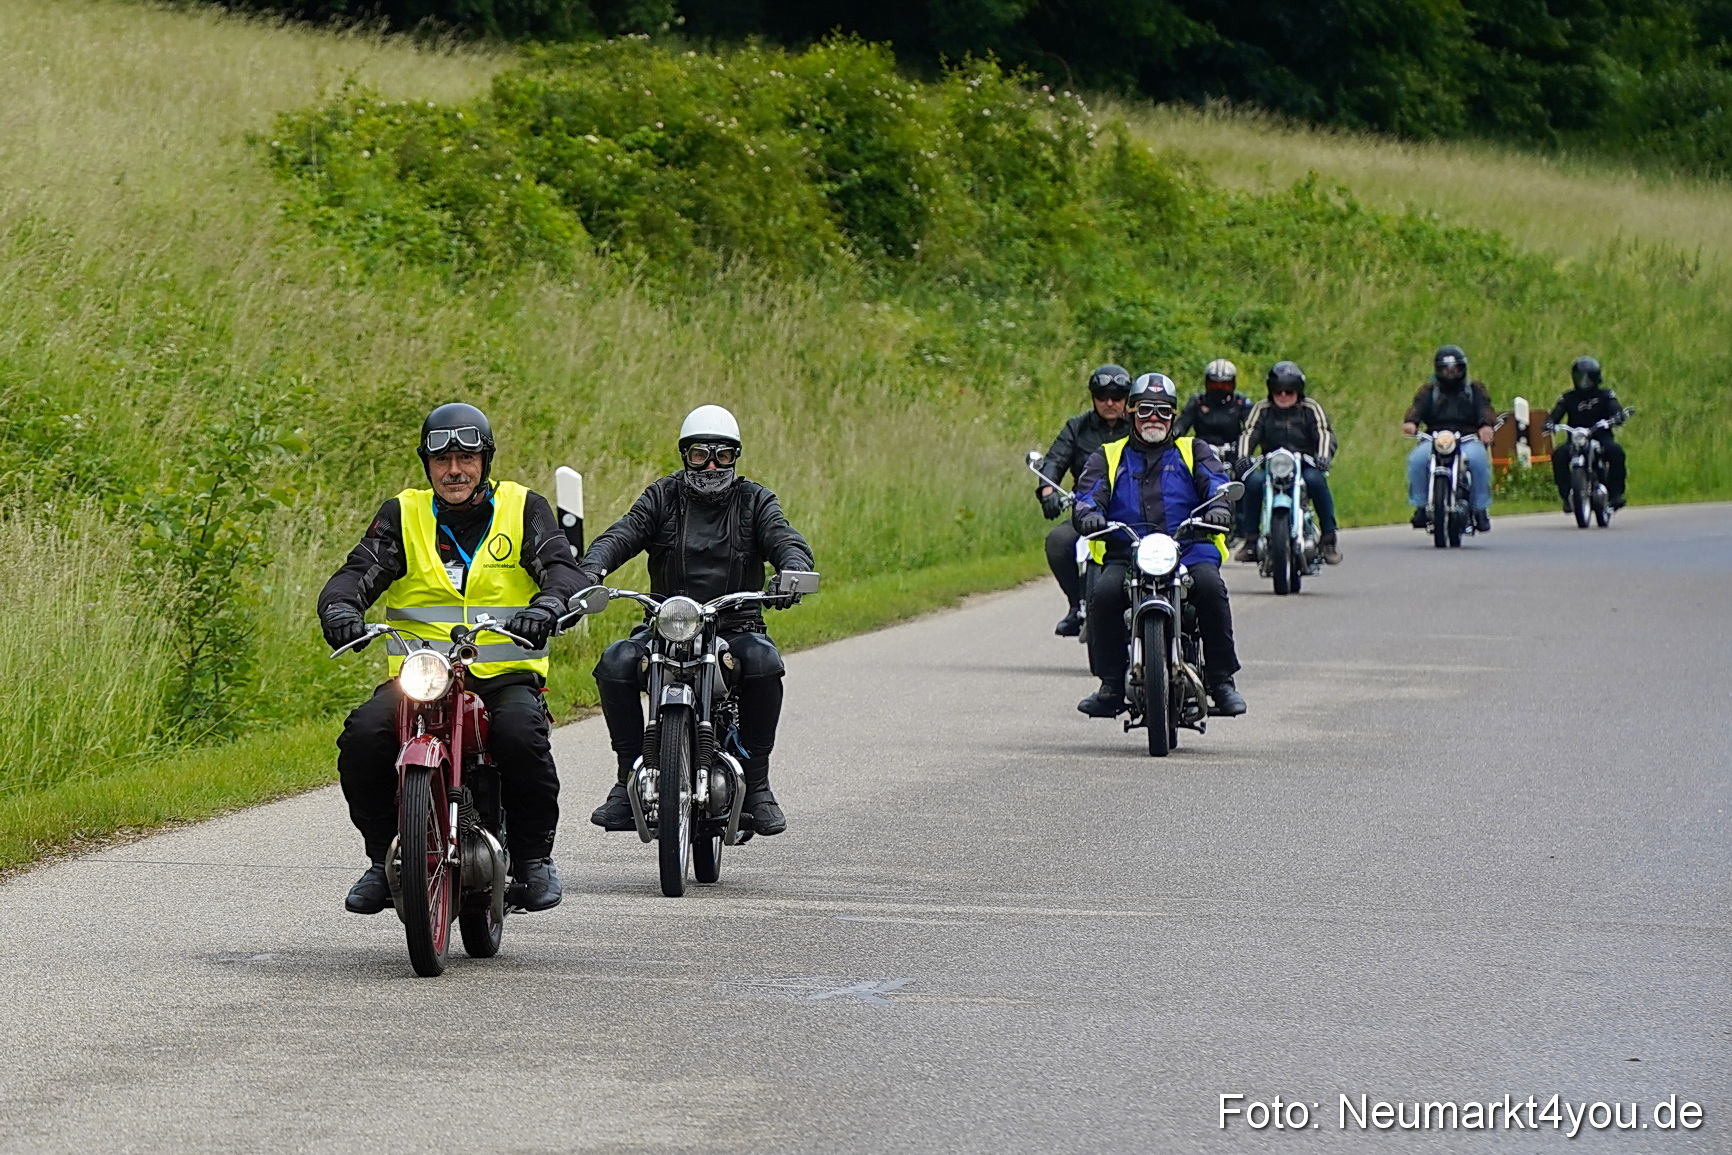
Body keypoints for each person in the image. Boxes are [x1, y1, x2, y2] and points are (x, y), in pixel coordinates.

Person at [319, 403, 582, 915]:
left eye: (466, 457)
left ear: (486, 461)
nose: (454, 470)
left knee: (520, 737)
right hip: (424, 677)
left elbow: (561, 567)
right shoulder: (403, 514)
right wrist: (341, 608)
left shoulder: (524, 509)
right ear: (427, 465)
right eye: (442, 461)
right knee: (364, 736)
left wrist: (547, 605)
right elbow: (359, 570)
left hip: (501, 675)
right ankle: (382, 859)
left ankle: (533, 860)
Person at [583, 405, 814, 837]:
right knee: (615, 662)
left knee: (764, 663)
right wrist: (591, 568)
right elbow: (624, 533)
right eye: (699, 455)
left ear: (736, 457)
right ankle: (625, 779)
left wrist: (792, 572)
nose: (711, 466)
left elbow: (784, 537)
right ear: (684, 455)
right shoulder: (662, 497)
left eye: (722, 456)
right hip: (668, 627)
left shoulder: (755, 500)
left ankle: (758, 783)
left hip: (736, 626)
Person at [1070, 373, 1246, 719]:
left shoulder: (1194, 450)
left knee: (1211, 588)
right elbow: (1087, 494)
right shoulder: (1107, 456)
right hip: (1128, 550)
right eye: (1146, 409)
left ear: (1173, 416)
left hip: (1188, 547)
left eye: (1163, 411)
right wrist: (1088, 514)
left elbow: (1217, 484)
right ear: (1131, 412)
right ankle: (1110, 685)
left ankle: (1222, 680)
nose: (1154, 418)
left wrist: (1220, 508)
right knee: (1103, 595)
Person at [1035, 365, 1131, 636]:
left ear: (1127, 398)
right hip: (1087, 508)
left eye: (1117, 396)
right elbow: (1055, 460)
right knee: (1058, 541)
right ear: (1093, 397)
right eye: (1102, 396)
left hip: (1133, 509)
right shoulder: (1077, 427)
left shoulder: (1139, 427)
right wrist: (1048, 490)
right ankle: (1076, 605)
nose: (1109, 402)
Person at [1234, 361, 1343, 565]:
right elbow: (1249, 433)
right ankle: (1250, 539)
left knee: (1317, 481)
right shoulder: (1262, 409)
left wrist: (1323, 457)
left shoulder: (1310, 408)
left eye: (1289, 391)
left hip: (1305, 462)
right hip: (1272, 463)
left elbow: (1323, 432)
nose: (1283, 395)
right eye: (1278, 391)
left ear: (1298, 391)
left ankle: (1328, 539)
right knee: (1254, 482)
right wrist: (1242, 457)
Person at [1402, 344, 1496, 533]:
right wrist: (1411, 422)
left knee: (1478, 461)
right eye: (1446, 369)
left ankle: (1480, 508)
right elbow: (1417, 408)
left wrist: (1485, 426)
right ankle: (1420, 506)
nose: (1450, 374)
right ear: (1438, 369)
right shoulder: (1428, 391)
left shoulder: (1475, 389)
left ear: (1463, 369)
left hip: (1467, 437)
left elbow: (1485, 408)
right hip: (1435, 438)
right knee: (1416, 460)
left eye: (1455, 369)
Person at [1548, 356, 1628, 510]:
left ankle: (1616, 494)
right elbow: (1556, 413)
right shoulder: (1569, 397)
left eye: (1588, 378)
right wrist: (1550, 423)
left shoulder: (1605, 395)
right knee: (1559, 454)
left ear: (1596, 378)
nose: (1584, 382)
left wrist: (1617, 417)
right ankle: (1566, 496)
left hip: (1600, 435)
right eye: (1580, 377)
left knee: (1616, 452)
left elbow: (1615, 408)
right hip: (1577, 437)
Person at [1174, 358, 1254, 468]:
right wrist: (1173, 433)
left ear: (1233, 384)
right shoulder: (1198, 402)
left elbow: (1252, 429)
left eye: (1225, 385)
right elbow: (1182, 424)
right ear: (1207, 383)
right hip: (1202, 455)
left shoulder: (1240, 402)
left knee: (1251, 479)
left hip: (1234, 456)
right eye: (1214, 385)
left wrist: (1244, 450)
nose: (1219, 389)